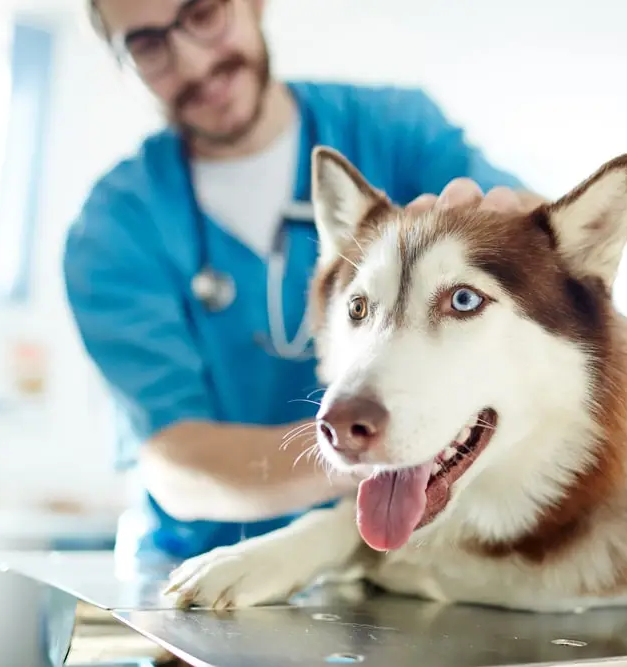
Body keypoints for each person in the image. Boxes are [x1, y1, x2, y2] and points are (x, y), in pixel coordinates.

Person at [63, 0, 546, 566]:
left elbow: (544, 236)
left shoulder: (395, 132)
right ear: (122, 65)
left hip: (395, 562)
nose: (191, 64)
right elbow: (177, 465)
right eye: (147, 45)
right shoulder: (118, 226)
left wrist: (524, 229)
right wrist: (377, 440)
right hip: (199, 564)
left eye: (203, 14)